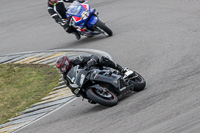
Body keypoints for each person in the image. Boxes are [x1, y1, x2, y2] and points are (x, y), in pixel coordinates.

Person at [56, 55, 126, 96]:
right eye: (61, 68)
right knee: (83, 94)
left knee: (102, 60)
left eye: (63, 66)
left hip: (91, 70)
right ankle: (99, 94)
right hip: (83, 82)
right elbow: (70, 86)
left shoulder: (76, 60)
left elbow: (92, 57)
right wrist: (75, 91)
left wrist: (90, 62)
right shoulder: (65, 77)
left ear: (67, 62)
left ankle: (121, 69)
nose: (62, 69)